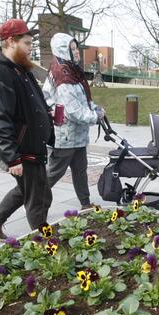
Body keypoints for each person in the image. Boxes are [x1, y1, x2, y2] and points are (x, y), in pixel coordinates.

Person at [0, 18, 54, 239]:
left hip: (32, 145)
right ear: (11, 41)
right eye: (28, 43)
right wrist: (11, 158)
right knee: (39, 199)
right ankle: (44, 244)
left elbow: (32, 103)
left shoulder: (21, 70)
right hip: (23, 150)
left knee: (29, 190)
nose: (31, 49)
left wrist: (46, 114)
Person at [42, 33, 105, 210]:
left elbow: (82, 100)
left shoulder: (71, 72)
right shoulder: (63, 76)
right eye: (73, 49)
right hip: (66, 136)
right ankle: (34, 201)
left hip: (77, 136)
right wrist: (96, 116)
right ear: (63, 50)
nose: (77, 52)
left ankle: (85, 204)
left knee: (80, 171)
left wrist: (94, 108)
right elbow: (75, 111)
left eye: (77, 48)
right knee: (53, 174)